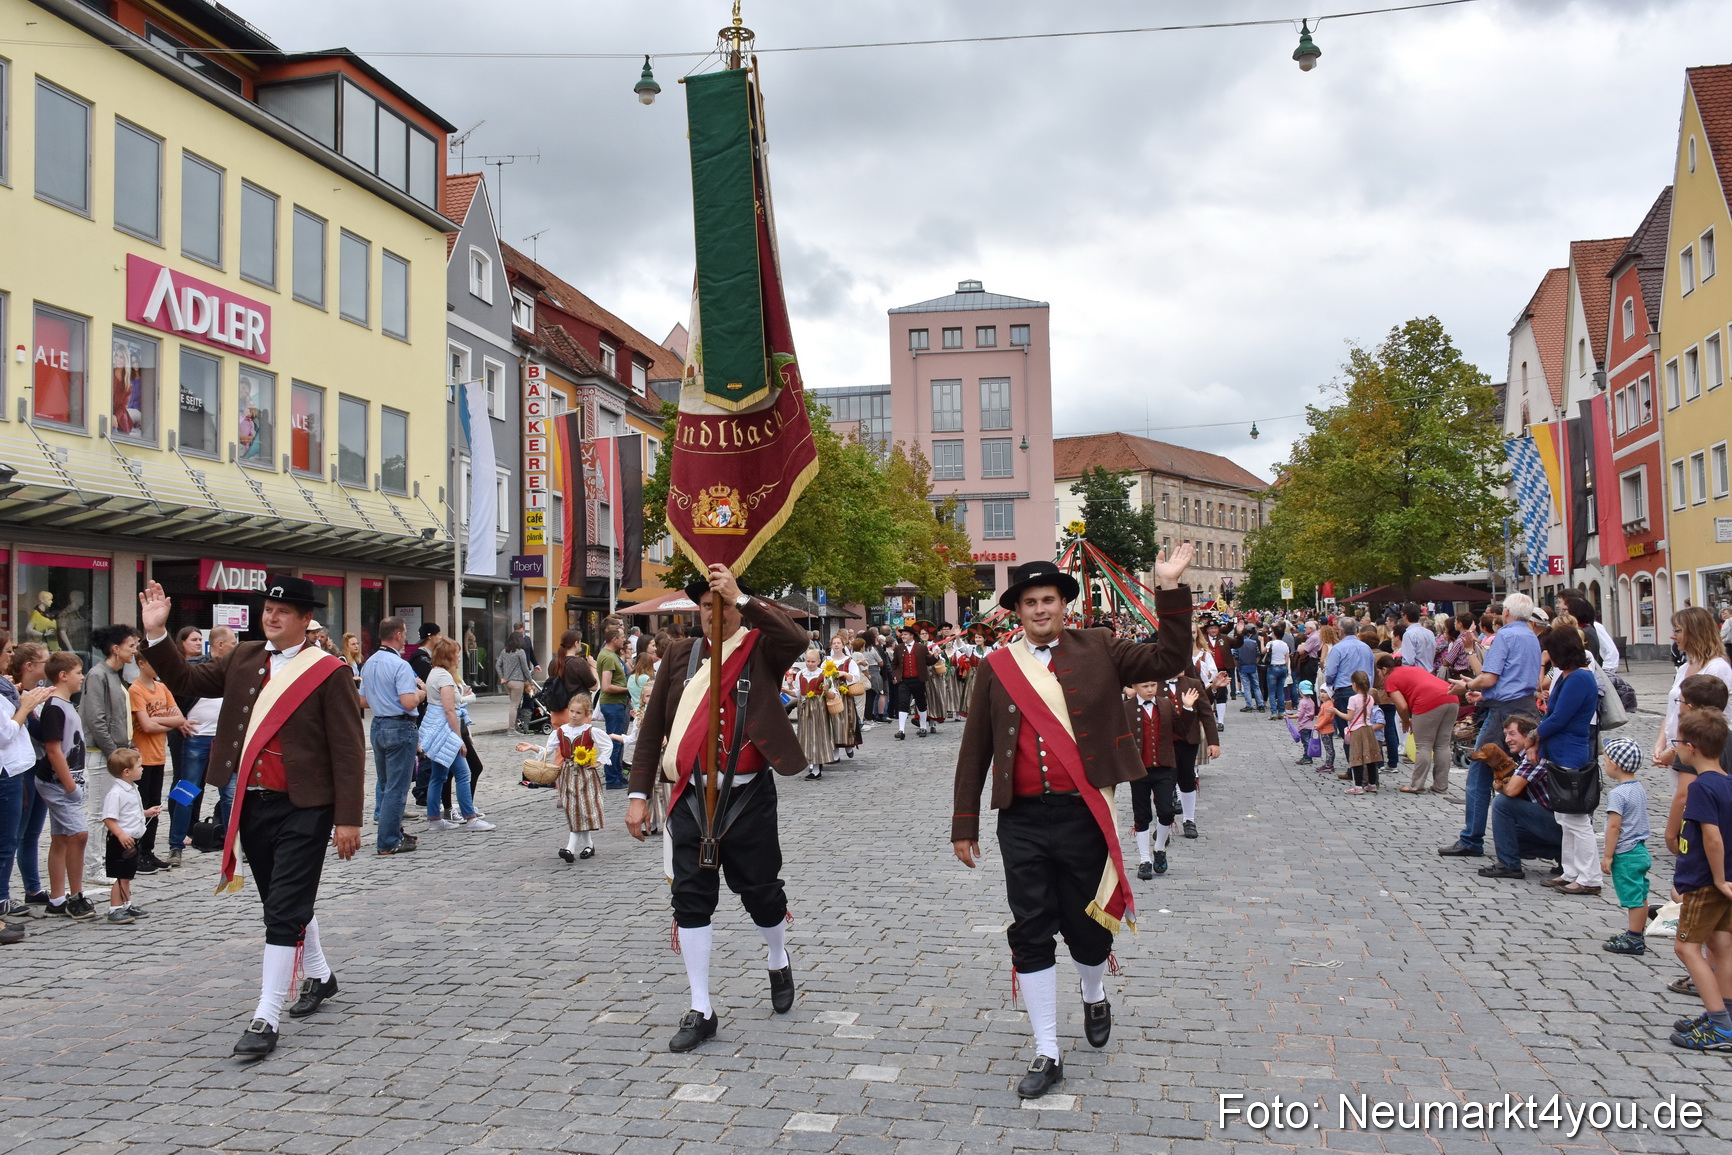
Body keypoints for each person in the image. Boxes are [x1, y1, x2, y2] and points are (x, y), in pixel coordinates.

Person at [952, 547, 1196, 1100]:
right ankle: (1046, 1049)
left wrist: (1170, 588)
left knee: (1088, 928)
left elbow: (1168, 658)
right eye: (1029, 602)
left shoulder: (1101, 647)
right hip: (1021, 820)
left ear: (1064, 604)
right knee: (1031, 928)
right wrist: (964, 822)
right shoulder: (996, 668)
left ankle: (1093, 993)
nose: (1040, 610)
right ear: (1016, 610)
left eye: (1048, 600)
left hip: (1085, 815)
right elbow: (976, 751)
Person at [140, 574, 366, 1058]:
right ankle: (321, 976)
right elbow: (184, 682)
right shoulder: (243, 656)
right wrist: (158, 634)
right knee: (281, 898)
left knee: (282, 907)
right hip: (251, 802)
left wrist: (349, 817)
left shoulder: (328, 671)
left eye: (283, 611)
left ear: (306, 621)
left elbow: (348, 749)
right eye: (267, 608)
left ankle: (266, 1016)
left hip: (307, 805)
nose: (272, 615)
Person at [625, 566, 810, 1053]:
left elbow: (794, 636)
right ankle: (701, 1007)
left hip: (747, 797)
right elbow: (652, 731)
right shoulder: (680, 656)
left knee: (762, 892)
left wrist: (743, 597)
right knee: (690, 897)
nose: (714, 613)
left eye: (723, 604)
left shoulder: (762, 648)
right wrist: (638, 794)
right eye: (707, 605)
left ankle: (777, 957)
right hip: (689, 795)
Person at [1440, 593, 1543, 859]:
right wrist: (1484, 694)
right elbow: (1515, 679)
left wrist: (1468, 686)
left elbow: (1489, 677)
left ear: (1507, 613)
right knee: (1518, 771)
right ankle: (1523, 837)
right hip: (1526, 707)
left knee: (1479, 771)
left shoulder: (1506, 636)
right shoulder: (1531, 635)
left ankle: (1472, 838)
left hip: (1503, 713)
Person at [1666, 711, 1732, 1052]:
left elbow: (1713, 839)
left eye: (1676, 743)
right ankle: (1726, 1013)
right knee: (1721, 947)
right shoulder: (1728, 782)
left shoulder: (1702, 788)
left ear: (1690, 748)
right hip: (1722, 884)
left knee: (1687, 948)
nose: (1675, 749)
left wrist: (1718, 879)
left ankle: (1720, 1026)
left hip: (1707, 884)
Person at [1530, 626, 1603, 894]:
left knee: (1576, 818)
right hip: (1559, 749)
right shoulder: (1566, 675)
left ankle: (1590, 877)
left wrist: (1534, 734)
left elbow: (1560, 717)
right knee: (1564, 815)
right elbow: (1552, 712)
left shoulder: (1580, 679)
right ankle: (1571, 870)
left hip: (1571, 751)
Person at [358, 617, 425, 856]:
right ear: (397, 635)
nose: (406, 638)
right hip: (399, 726)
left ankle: (393, 831)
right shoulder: (400, 665)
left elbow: (363, 701)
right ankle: (388, 840)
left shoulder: (370, 662)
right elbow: (408, 702)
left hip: (378, 725)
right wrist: (421, 693)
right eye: (405, 633)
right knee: (398, 787)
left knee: (387, 785)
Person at [37, 652, 95, 921]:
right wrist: (70, 785)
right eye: (78, 672)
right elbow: (53, 750)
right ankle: (76, 896)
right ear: (63, 675)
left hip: (67, 781)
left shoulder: (66, 704)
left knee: (61, 837)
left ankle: (57, 897)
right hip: (56, 783)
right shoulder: (55, 707)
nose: (82, 677)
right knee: (79, 834)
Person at [81, 625, 144, 872]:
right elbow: (96, 720)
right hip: (104, 756)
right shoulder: (98, 675)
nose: (134, 651)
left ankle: (105, 864)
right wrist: (114, 756)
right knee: (99, 813)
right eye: (131, 646)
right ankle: (93, 867)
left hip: (117, 753)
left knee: (111, 812)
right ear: (116, 649)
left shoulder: (114, 675)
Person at [420, 636, 494, 833]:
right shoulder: (444, 677)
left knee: (439, 774)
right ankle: (470, 817)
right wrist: (458, 739)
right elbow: (449, 710)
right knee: (463, 773)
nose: (459, 658)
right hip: (444, 729)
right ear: (448, 656)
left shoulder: (434, 673)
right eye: (457, 654)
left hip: (435, 727)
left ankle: (434, 818)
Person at [0, 645, 52, 921]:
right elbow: (11, 731)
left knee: (30, 833)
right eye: (45, 661)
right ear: (30, 665)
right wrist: (27, 706)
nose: (9, 656)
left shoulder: (26, 693)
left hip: (35, 764)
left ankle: (32, 888)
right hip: (16, 769)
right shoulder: (14, 694)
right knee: (12, 836)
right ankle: (3, 895)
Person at [1479, 715, 1563, 880]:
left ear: (1527, 736)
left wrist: (1497, 785)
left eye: (1512, 734)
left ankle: (1509, 865)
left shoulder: (1534, 757)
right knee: (1508, 832)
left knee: (1502, 803)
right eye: (1506, 735)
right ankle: (1563, 856)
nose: (1507, 739)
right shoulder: (1531, 754)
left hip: (1561, 825)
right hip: (1559, 822)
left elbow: (1511, 791)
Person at [530, 692, 609, 862]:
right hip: (567, 774)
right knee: (573, 809)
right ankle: (589, 845)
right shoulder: (561, 732)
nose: (573, 715)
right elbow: (547, 751)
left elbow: (607, 744)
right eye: (572, 711)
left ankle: (569, 848)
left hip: (585, 775)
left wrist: (599, 761)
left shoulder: (590, 731)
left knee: (582, 809)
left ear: (587, 714)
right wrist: (532, 748)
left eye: (578, 712)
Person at [1654, 607, 1732, 773]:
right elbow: (1673, 710)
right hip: (1681, 752)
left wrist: (1675, 751)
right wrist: (1661, 743)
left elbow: (1710, 723)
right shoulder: (1685, 668)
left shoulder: (1716, 668)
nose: (1672, 636)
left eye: (1677, 631)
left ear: (1695, 632)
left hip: (1699, 755)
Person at [126, 654, 183, 872]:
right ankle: (137, 852)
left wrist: (155, 721)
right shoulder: (136, 690)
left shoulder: (162, 688)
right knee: (141, 806)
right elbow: (145, 727)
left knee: (155, 806)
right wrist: (164, 722)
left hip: (159, 756)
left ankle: (148, 851)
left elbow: (179, 719)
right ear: (141, 663)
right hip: (142, 758)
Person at [1600, 737, 1653, 955]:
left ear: (1614, 764)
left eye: (1605, 760)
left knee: (1633, 897)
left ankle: (1634, 939)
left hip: (1626, 852)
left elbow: (1614, 827)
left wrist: (1608, 855)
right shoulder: (1637, 788)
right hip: (1640, 849)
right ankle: (1636, 932)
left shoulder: (1617, 794)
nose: (1604, 764)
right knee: (1641, 893)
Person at [1376, 655, 1457, 795]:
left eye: (1378, 673)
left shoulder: (1391, 679)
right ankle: (1441, 785)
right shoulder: (1412, 669)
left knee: (1424, 745)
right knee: (1442, 745)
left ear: (1384, 670)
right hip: (1451, 697)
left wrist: (1406, 721)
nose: (1379, 676)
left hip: (1427, 701)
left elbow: (1401, 707)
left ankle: (1416, 785)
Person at [100, 748, 158, 924]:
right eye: (139, 766)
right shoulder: (116, 793)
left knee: (128, 874)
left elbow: (131, 811)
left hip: (133, 840)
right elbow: (108, 818)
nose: (143, 769)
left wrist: (146, 813)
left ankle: (126, 904)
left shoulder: (132, 789)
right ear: (126, 772)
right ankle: (115, 908)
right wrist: (120, 834)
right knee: (121, 875)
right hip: (121, 842)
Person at [1329, 670, 1383, 794]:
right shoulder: (1370, 698)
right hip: (1368, 729)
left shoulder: (1353, 699)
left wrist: (1336, 711)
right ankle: (1372, 784)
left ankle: (1358, 786)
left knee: (1357, 758)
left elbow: (1349, 717)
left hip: (1357, 731)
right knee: (1370, 758)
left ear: (1354, 684)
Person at [596, 627, 632, 790]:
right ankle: (612, 778)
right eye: (622, 637)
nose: (624, 640)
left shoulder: (611, 656)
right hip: (613, 703)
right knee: (614, 742)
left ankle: (617, 775)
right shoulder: (609, 657)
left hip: (617, 703)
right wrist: (628, 689)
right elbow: (606, 686)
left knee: (618, 740)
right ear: (614, 639)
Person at [890, 625, 933, 739]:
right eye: (902, 634)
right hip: (904, 681)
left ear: (912, 635)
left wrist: (936, 656)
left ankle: (923, 726)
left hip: (918, 680)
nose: (902, 636)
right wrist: (895, 675)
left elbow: (929, 661)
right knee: (903, 703)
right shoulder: (899, 648)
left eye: (905, 634)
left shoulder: (921, 648)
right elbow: (894, 664)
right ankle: (901, 730)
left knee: (921, 703)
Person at [498, 634, 536, 731]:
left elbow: (498, 665)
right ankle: (511, 729)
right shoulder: (520, 652)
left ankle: (515, 727)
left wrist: (502, 676)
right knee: (514, 705)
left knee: (514, 704)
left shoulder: (504, 651)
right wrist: (530, 681)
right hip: (517, 681)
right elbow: (525, 668)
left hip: (507, 682)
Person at [1399, 602, 1437, 671]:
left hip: (1417, 673)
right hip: (1430, 672)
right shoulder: (1429, 633)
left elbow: (1409, 661)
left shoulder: (1408, 634)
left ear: (1405, 616)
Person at [1263, 623, 1291, 718]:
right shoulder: (1285, 645)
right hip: (1282, 667)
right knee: (1280, 691)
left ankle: (1273, 712)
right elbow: (1287, 658)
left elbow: (1263, 651)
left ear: (1274, 634)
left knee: (1271, 691)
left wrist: (1262, 641)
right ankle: (1281, 711)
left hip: (1273, 667)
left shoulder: (1270, 644)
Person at [1235, 627, 1263, 711]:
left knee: (1246, 686)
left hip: (1243, 666)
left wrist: (1237, 666)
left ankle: (1249, 705)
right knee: (1256, 686)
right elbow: (1258, 655)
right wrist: (1255, 663)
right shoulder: (1254, 642)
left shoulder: (1238, 644)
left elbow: (1235, 656)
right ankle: (1260, 704)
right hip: (1252, 666)